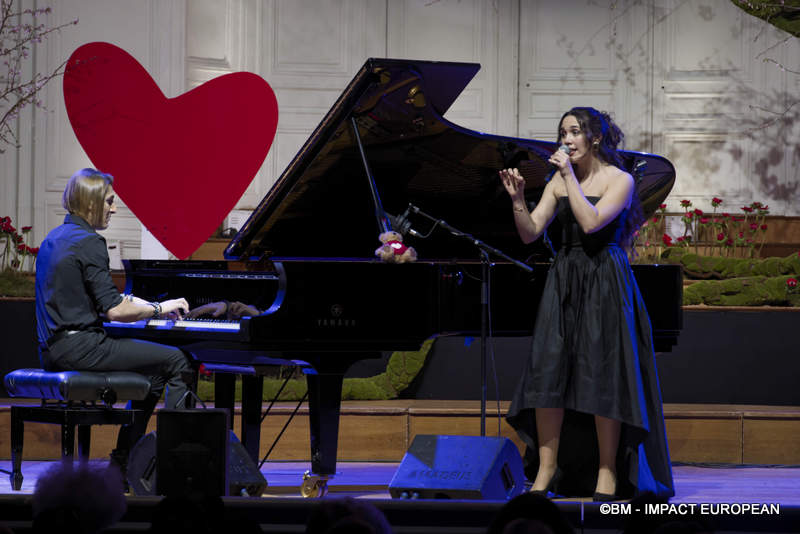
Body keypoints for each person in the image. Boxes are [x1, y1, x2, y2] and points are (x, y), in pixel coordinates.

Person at [499, 107, 674, 500]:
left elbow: (592, 223)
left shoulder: (621, 180)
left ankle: (607, 471)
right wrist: (517, 200)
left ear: (595, 138)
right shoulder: (557, 183)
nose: (567, 139)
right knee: (548, 374)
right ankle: (545, 470)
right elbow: (530, 234)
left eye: (574, 132)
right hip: (564, 280)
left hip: (605, 281)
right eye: (563, 132)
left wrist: (566, 178)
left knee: (603, 377)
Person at [35, 168, 193, 482]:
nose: (114, 208)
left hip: (53, 349)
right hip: (82, 347)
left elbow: (86, 296)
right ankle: (176, 461)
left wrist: (137, 305)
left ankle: (123, 461)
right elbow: (115, 312)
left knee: (154, 373)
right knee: (177, 359)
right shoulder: (90, 242)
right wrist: (160, 307)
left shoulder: (54, 238)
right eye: (109, 201)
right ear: (91, 202)